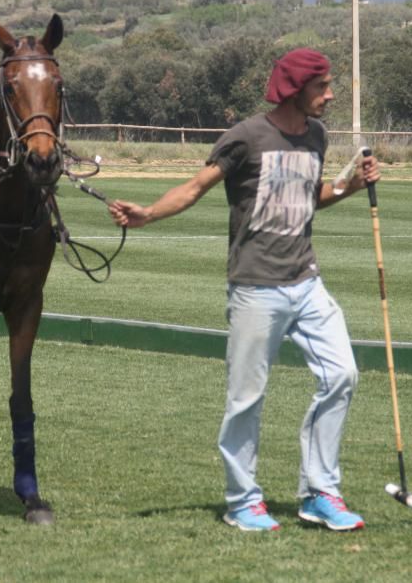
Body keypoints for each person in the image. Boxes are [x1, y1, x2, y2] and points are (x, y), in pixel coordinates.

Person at [109, 48, 380, 532]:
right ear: (296, 89)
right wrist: (148, 214)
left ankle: (319, 493)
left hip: (306, 281)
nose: (331, 95)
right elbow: (195, 187)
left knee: (342, 375)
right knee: (246, 398)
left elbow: (306, 197)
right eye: (322, 86)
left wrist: (352, 186)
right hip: (256, 288)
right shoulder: (245, 138)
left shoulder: (317, 136)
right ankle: (242, 501)